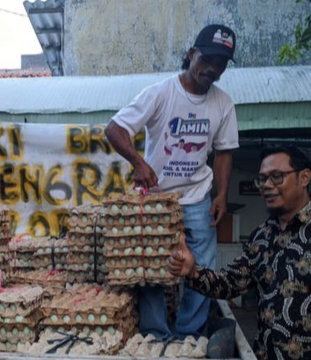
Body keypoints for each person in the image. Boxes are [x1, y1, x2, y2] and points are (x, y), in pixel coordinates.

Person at [105, 24, 239, 340]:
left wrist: (221, 195)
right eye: (208, 59)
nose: (213, 68)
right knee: (152, 266)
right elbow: (115, 129)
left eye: (221, 64)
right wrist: (138, 163)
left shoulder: (223, 103)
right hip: (157, 198)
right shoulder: (160, 93)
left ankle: (188, 335)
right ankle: (155, 335)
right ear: (192, 54)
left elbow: (224, 152)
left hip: (198, 198)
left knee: (202, 267)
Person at [168, 145, 311, 360]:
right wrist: (193, 272)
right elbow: (232, 283)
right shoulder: (262, 237)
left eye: (277, 177)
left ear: (304, 177)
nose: (267, 186)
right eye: (262, 179)